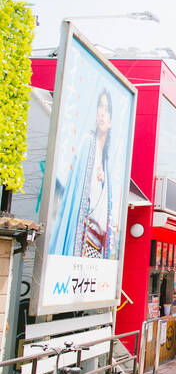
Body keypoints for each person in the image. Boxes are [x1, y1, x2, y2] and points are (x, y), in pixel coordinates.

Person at [50, 89, 114, 259]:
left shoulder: (108, 161)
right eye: (100, 107)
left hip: (98, 244)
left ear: (111, 119)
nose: (102, 113)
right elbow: (75, 193)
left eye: (107, 109)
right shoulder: (87, 144)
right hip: (81, 238)